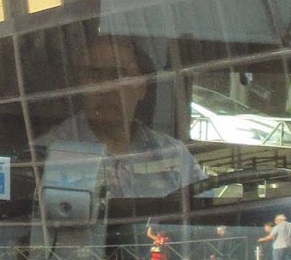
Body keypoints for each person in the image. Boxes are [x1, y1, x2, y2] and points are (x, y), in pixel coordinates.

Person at [40, 33, 204, 204]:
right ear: (79, 86)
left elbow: (204, 220)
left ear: (142, 87)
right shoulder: (47, 154)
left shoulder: (173, 156)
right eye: (95, 76)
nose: (106, 87)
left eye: (118, 75)